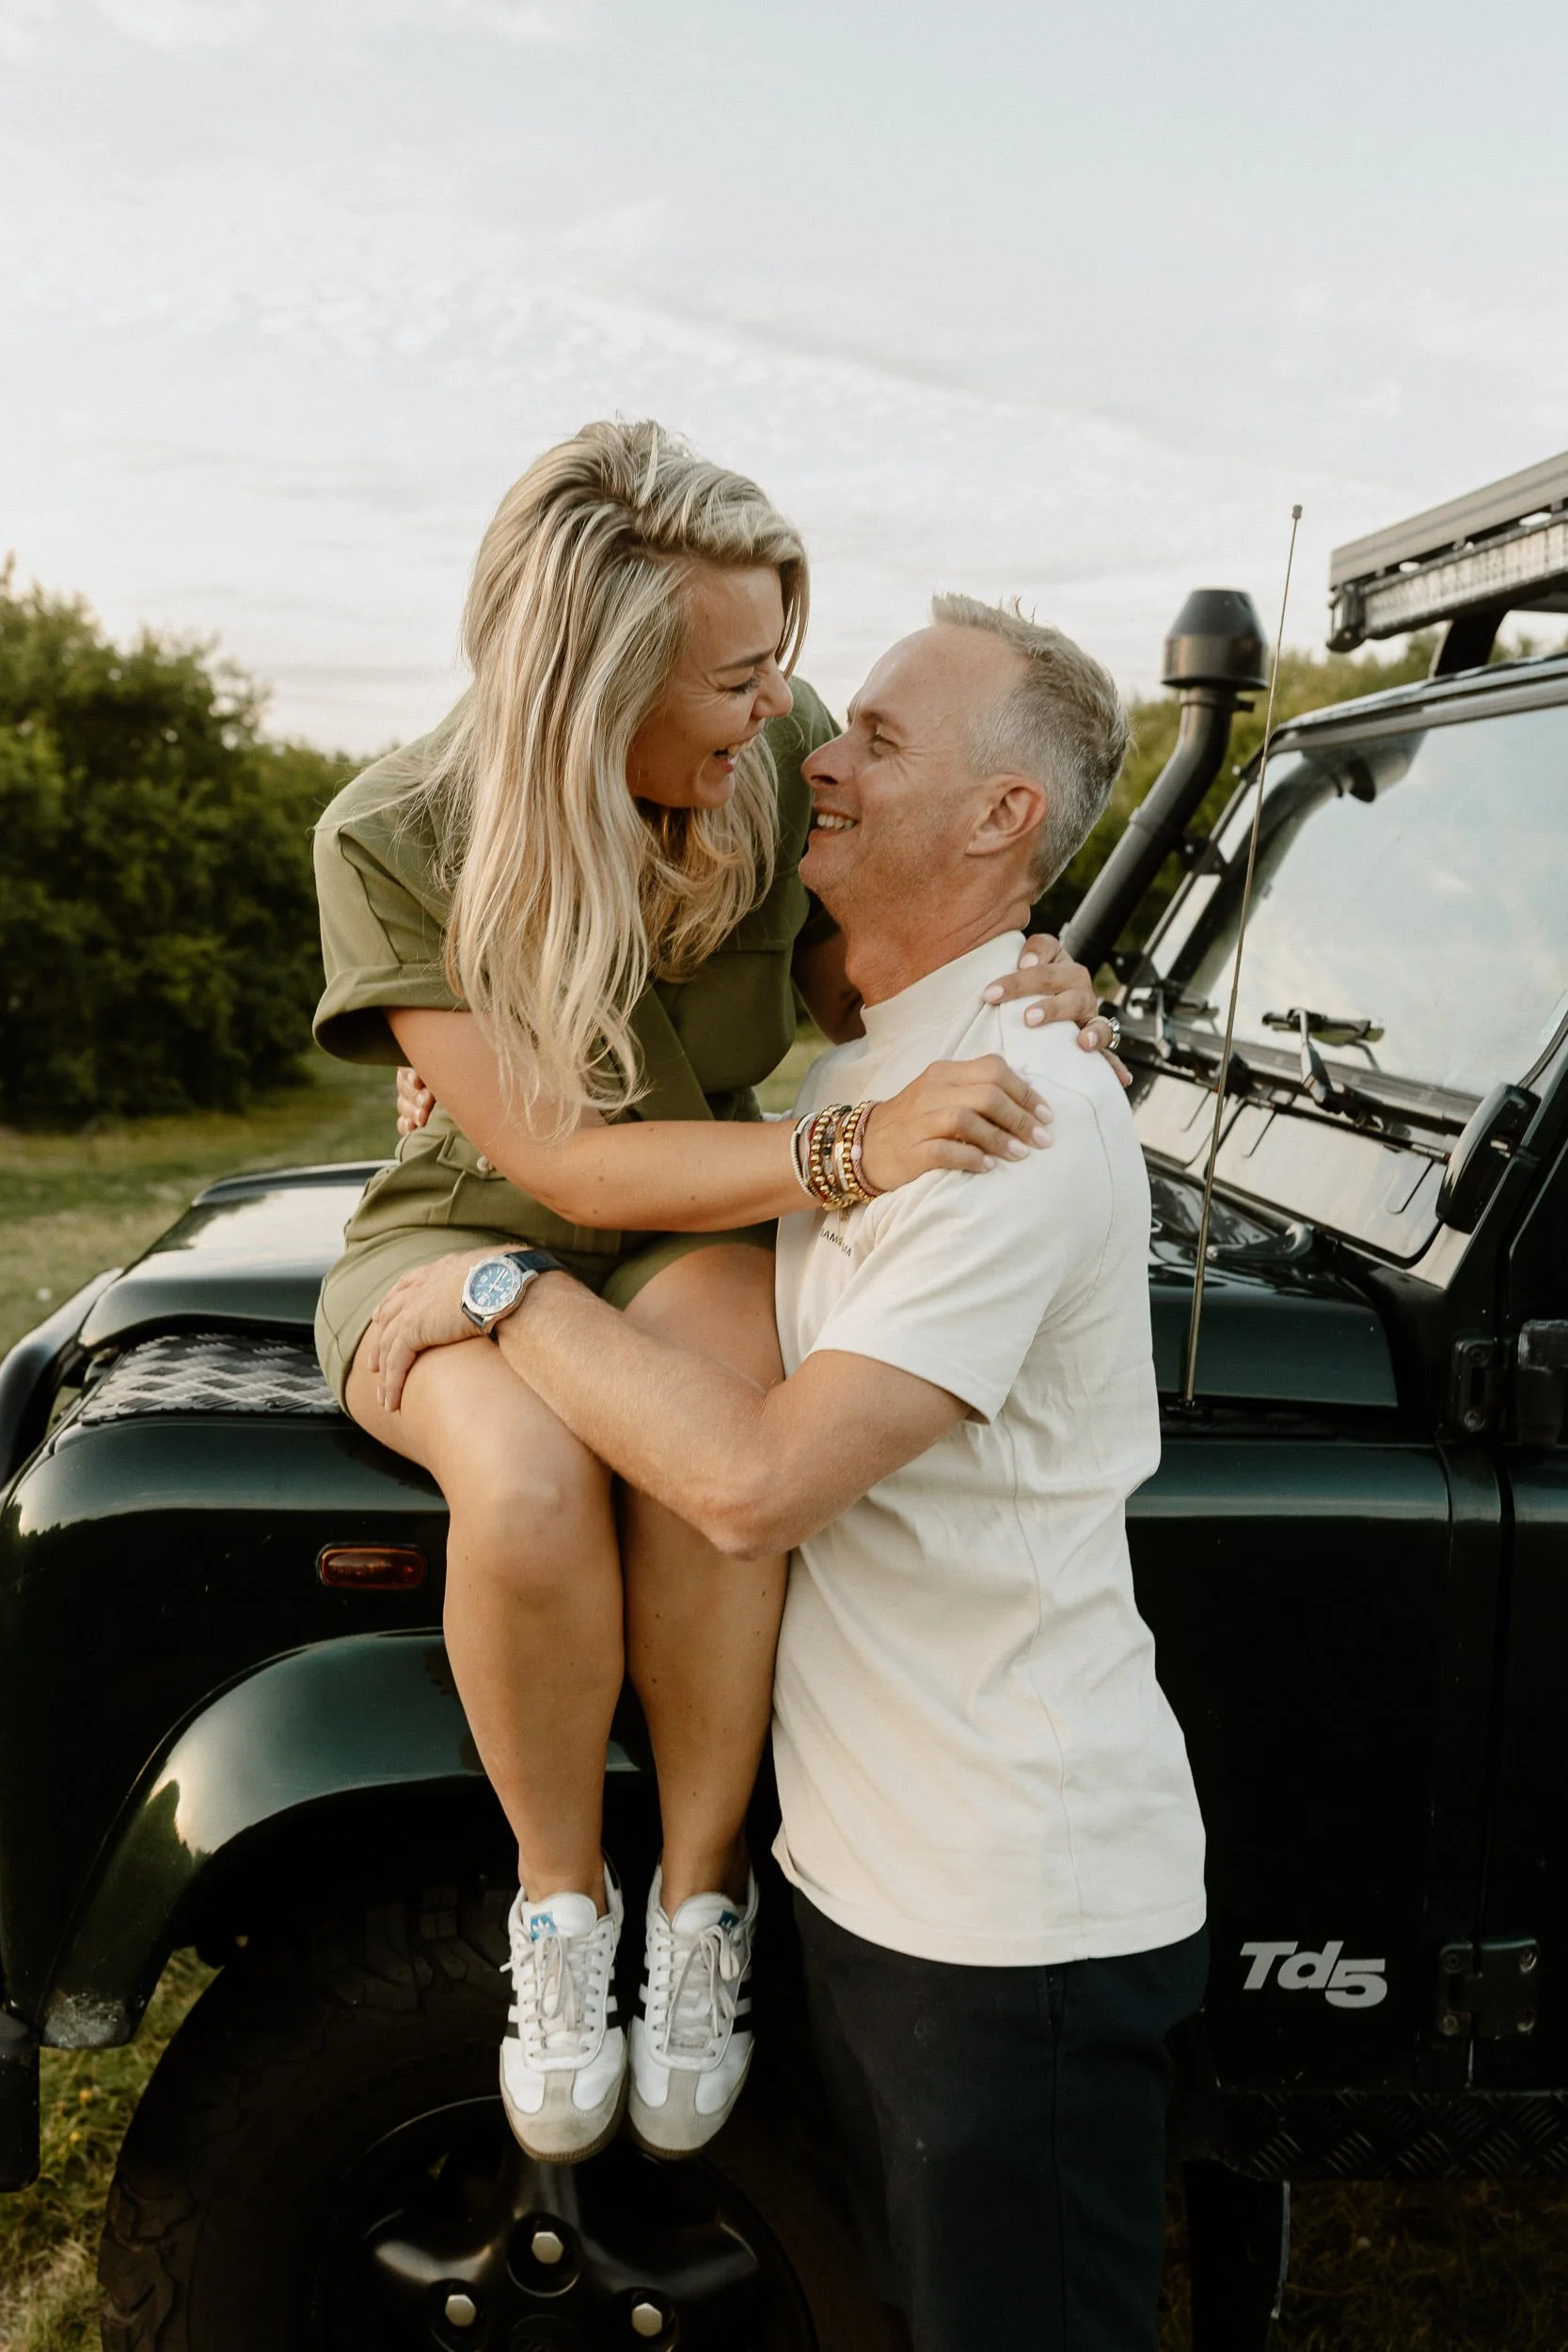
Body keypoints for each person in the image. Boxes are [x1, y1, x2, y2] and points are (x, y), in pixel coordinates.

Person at [366, 593, 1208, 2351]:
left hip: (1002, 1908)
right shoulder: (891, 1052)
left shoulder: (1012, 1116)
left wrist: (496, 1289)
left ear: (1003, 821)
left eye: (880, 741)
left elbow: (747, 1488)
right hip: (879, 1873)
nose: (815, 752)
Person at [309, 419, 1123, 2169]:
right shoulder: (394, 833)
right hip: (469, 1229)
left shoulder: (770, 755)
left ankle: (696, 1907)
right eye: (741, 677)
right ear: (594, 685)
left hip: (690, 1211)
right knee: (522, 1487)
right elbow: (569, 1168)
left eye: (785, 662)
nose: (786, 711)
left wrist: (1027, 963)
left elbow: (867, 963)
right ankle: (561, 1907)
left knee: (721, 1465)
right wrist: (853, 1156)